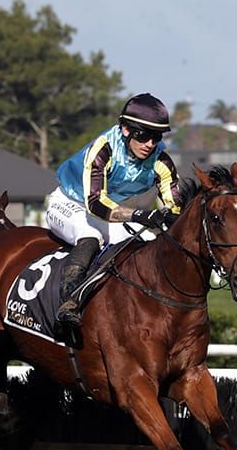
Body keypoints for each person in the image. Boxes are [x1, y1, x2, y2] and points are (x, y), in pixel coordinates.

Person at [47, 92, 183, 335]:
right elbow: (96, 204)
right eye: (143, 135)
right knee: (89, 236)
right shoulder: (104, 148)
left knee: (141, 246)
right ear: (125, 129)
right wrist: (141, 215)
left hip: (109, 211)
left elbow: (175, 208)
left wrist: (170, 218)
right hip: (71, 203)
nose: (150, 144)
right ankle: (68, 302)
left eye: (156, 137)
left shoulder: (161, 161)